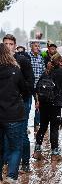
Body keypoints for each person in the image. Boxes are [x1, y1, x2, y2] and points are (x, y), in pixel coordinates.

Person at [3, 34, 34, 173]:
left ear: (15, 45)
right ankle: (7, 164)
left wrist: (21, 95)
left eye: (11, 44)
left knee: (22, 133)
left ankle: (25, 162)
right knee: (6, 136)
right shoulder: (1, 61)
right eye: (6, 44)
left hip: (21, 102)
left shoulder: (22, 60)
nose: (8, 46)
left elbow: (30, 83)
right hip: (5, 105)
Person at [33, 53, 62, 161]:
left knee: (43, 127)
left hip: (44, 104)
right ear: (59, 62)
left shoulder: (46, 72)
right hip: (55, 104)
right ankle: (55, 154)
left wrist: (38, 101)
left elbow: (38, 88)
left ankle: (37, 151)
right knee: (54, 128)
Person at [0, 43, 27, 183]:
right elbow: (24, 89)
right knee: (15, 147)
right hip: (14, 115)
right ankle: (11, 177)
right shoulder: (15, 70)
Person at [29, 41, 46, 131]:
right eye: (35, 46)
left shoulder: (40, 57)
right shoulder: (28, 57)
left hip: (39, 86)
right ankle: (25, 126)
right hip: (30, 86)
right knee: (28, 106)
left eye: (38, 46)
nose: (37, 47)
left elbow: (43, 70)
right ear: (31, 47)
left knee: (38, 105)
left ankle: (37, 124)